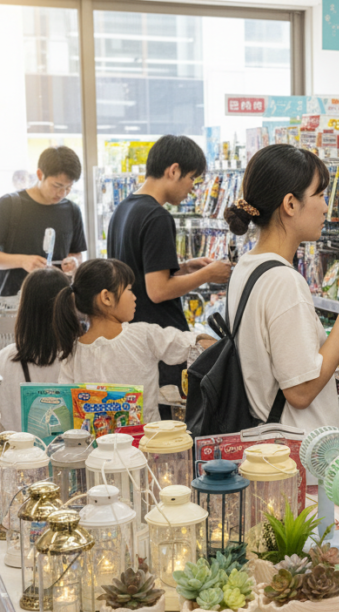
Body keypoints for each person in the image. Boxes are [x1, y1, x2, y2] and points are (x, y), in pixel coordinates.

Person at [222, 144, 339, 432]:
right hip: (297, 455)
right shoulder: (283, 282)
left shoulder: (246, 266)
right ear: (290, 204)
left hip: (267, 445)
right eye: (319, 195)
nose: (326, 206)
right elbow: (300, 392)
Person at [107, 135, 231, 408]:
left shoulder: (123, 209)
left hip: (132, 336)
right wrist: (207, 275)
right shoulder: (157, 217)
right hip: (160, 342)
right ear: (173, 170)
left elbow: (139, 275)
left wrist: (185, 268)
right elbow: (158, 290)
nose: (192, 189)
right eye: (192, 179)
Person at [54, 258, 212, 424]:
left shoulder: (71, 353)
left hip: (94, 448)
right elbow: (194, 343)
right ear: (106, 297)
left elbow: (67, 412)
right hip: (146, 445)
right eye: (129, 290)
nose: (135, 297)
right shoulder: (143, 335)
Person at [0, 146, 87, 296]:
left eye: (69, 187)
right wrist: (22, 261)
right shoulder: (8, 205)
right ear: (40, 174)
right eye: (57, 186)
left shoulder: (72, 210)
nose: (62, 193)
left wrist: (74, 261)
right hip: (16, 304)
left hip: (60, 302)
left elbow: (76, 253)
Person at [0, 268, 69, 433]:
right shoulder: (79, 354)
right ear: (67, 306)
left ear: (23, 307)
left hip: (15, 454)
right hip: (71, 455)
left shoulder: (3, 359)